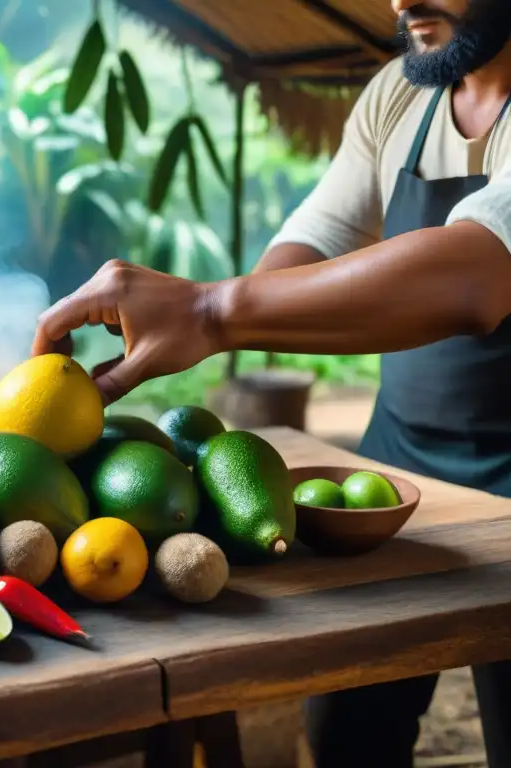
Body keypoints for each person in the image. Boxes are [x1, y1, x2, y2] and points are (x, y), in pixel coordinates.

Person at [32, 1, 511, 766]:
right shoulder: (399, 92)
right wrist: (218, 311)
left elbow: (479, 276)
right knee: (348, 734)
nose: (399, 2)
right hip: (395, 474)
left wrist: (211, 310)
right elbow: (314, 241)